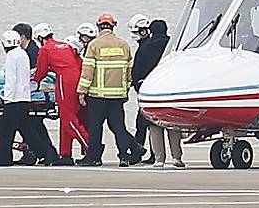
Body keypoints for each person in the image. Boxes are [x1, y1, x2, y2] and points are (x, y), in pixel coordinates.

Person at [76, 13, 145, 167]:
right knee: (119, 127)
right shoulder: (124, 45)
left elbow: (87, 72)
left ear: (99, 26)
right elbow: (129, 73)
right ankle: (124, 156)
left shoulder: (94, 45)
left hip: (97, 96)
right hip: (117, 96)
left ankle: (94, 157)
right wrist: (125, 91)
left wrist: (82, 92)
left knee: (96, 128)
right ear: (113, 26)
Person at [33, 23, 89, 166]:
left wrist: (34, 81)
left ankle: (90, 147)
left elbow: (41, 71)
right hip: (77, 78)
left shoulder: (45, 49)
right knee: (65, 119)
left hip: (65, 81)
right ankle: (65, 154)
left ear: (39, 37)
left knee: (69, 119)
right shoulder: (65, 45)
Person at [0, 30, 48, 166]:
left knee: (6, 131)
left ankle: (3, 159)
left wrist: (6, 98)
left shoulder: (11, 56)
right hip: (24, 98)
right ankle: (46, 154)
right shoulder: (22, 54)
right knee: (27, 130)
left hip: (13, 100)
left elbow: (11, 79)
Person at [142, 20, 185, 168]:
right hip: (171, 91)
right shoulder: (174, 48)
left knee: (154, 127)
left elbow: (136, 72)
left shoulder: (145, 48)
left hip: (152, 91)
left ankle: (159, 159)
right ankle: (176, 157)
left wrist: (140, 87)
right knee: (173, 126)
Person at [128, 13, 155, 165]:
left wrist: (135, 83)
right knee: (146, 125)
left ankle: (138, 153)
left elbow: (138, 70)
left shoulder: (144, 48)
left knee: (142, 124)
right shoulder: (150, 46)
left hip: (145, 91)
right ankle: (151, 153)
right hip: (149, 89)